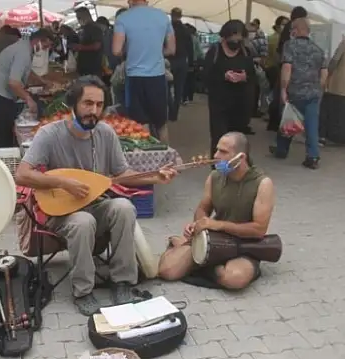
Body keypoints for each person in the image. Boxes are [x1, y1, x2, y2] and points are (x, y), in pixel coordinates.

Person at [14, 76, 178, 316]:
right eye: (87, 104)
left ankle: (122, 282)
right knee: (83, 221)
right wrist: (63, 182)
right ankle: (83, 291)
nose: (94, 111)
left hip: (95, 205)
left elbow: (122, 173)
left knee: (123, 207)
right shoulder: (50, 134)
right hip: (59, 212)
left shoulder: (105, 133)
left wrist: (155, 177)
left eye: (99, 105)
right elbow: (22, 175)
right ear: (73, 104)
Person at [158, 132, 275, 290]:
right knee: (167, 271)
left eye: (224, 152)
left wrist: (217, 225)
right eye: (217, 150)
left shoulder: (263, 184)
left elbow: (258, 230)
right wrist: (198, 224)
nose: (216, 155)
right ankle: (198, 254)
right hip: (212, 240)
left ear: (241, 157)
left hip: (244, 245)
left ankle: (201, 260)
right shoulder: (214, 177)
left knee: (234, 279)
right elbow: (203, 208)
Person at [112, 0, 176, 143]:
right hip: (157, 76)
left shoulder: (123, 18)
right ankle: (166, 159)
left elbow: (116, 50)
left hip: (135, 77)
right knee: (161, 124)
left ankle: (148, 158)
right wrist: (155, 53)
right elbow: (171, 49)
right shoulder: (162, 17)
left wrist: (132, 51)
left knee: (141, 123)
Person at [0, 29, 54, 148]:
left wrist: (42, 81)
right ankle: (4, 155)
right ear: (37, 40)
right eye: (45, 45)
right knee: (3, 130)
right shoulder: (23, 52)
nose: (45, 49)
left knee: (6, 127)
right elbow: (13, 82)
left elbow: (25, 70)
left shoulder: (25, 48)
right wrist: (28, 99)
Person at [272, 18, 327, 169]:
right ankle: (313, 156)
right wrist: (319, 89)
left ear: (295, 30)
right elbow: (324, 73)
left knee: (289, 120)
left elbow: (287, 68)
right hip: (313, 93)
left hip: (295, 91)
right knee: (312, 125)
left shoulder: (290, 46)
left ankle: (281, 150)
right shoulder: (318, 49)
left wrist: (283, 89)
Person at [204, 20, 256, 160]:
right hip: (219, 103)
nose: (236, 40)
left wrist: (244, 77)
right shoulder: (215, 51)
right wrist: (223, 76)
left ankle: (236, 167)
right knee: (219, 137)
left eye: (239, 36)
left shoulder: (246, 52)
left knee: (237, 139)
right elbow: (205, 75)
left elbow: (253, 76)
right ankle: (218, 169)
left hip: (240, 103)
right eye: (233, 36)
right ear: (225, 36)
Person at [168, 8, 192, 122]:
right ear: (181, 16)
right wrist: (191, 63)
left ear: (171, 15)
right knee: (179, 89)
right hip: (182, 61)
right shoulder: (186, 30)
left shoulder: (167, 28)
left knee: (166, 87)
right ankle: (174, 114)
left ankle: (168, 110)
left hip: (169, 61)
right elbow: (190, 48)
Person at [265, 16, 289, 132]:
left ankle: (272, 121)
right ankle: (275, 121)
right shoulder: (277, 38)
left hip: (271, 68)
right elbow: (276, 56)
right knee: (277, 96)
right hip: (275, 68)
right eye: (283, 24)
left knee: (274, 95)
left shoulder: (272, 37)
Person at [73, 7, 104, 78]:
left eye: (79, 17)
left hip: (92, 68)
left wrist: (81, 47)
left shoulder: (95, 28)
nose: (78, 20)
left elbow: (97, 46)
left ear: (86, 16)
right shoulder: (85, 28)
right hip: (85, 68)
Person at [183, 24, 204, 105]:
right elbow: (200, 52)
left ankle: (184, 98)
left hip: (184, 62)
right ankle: (190, 97)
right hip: (193, 63)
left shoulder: (182, 38)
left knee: (185, 81)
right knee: (191, 80)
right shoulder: (195, 39)